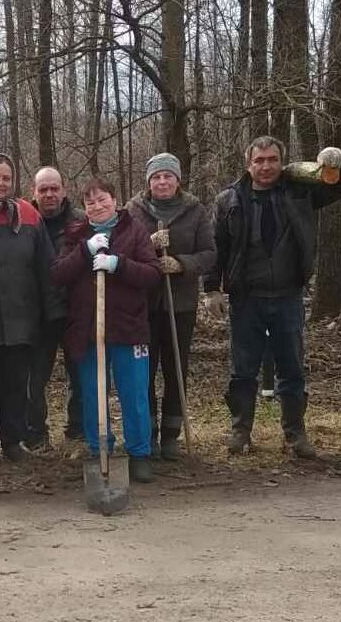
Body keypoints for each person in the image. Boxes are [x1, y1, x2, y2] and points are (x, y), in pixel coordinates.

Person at [201, 136, 341, 459]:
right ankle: (240, 431)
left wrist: (338, 161)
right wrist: (212, 289)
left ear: (281, 162)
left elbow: (340, 185)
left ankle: (295, 435)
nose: (266, 166)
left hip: (288, 295)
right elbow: (216, 248)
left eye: (272, 159)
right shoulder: (228, 200)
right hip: (247, 298)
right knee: (243, 370)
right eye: (259, 160)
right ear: (248, 164)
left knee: (292, 368)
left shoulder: (299, 191)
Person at [51, 177, 162, 483]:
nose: (97, 206)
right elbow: (58, 273)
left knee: (134, 393)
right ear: (84, 208)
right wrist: (85, 251)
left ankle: (139, 453)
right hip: (88, 330)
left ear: (115, 200)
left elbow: (152, 274)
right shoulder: (75, 234)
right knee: (93, 393)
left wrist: (118, 264)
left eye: (103, 199)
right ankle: (99, 448)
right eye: (90, 202)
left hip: (129, 328)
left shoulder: (134, 230)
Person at [0, 153, 60, 463]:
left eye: (6, 178)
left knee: (16, 383)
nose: (0, 183)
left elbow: (46, 267)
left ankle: (13, 441)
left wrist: (52, 312)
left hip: (21, 316)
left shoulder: (28, 215)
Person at [125, 153, 216, 460]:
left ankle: (172, 436)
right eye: (156, 177)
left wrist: (180, 263)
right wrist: (147, 245)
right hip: (144, 304)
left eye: (167, 176)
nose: (162, 182)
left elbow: (209, 254)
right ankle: (147, 433)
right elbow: (121, 250)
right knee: (144, 372)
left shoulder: (195, 210)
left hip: (181, 304)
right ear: (148, 182)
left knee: (176, 369)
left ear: (178, 180)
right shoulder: (133, 210)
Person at [26, 167, 86, 446]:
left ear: (64, 190)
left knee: (81, 376)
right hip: (37, 314)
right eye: (43, 189)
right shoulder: (24, 220)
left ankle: (78, 430)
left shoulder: (81, 222)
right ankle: (36, 435)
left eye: (54, 188)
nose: (49, 194)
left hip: (75, 311)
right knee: (34, 379)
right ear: (33, 192)